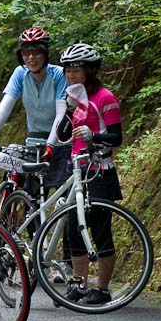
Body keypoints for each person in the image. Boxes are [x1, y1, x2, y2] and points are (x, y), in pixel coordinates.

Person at [56, 43, 123, 305]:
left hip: (100, 171)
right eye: (67, 70)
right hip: (78, 170)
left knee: (100, 230)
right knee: (74, 228)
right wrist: (70, 109)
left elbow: (116, 137)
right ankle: (79, 285)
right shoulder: (73, 97)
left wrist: (93, 136)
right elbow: (62, 135)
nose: (71, 75)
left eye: (76, 70)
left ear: (90, 70)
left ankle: (103, 288)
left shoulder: (105, 98)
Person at [0, 27, 70, 193]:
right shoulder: (20, 74)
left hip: (59, 144)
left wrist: (51, 144)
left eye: (36, 52)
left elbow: (62, 112)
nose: (31, 58)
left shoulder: (59, 74)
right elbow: (5, 107)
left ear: (45, 53)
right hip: (33, 143)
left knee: (63, 198)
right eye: (26, 53)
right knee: (29, 198)